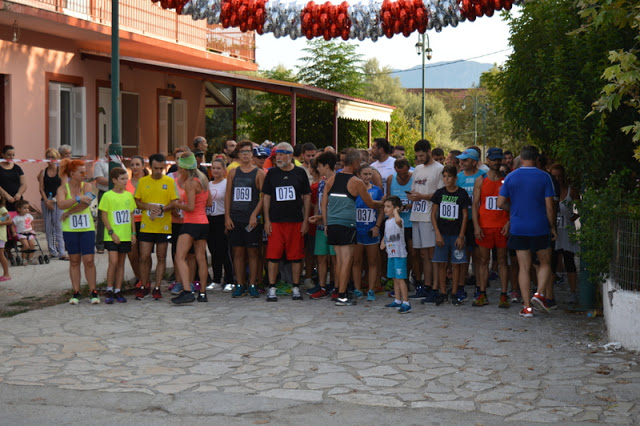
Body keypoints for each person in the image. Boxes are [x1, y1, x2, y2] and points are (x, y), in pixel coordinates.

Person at [498, 145, 557, 317]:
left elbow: (501, 203)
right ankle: (539, 293)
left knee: (523, 267)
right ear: (536, 159)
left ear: (521, 159)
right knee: (545, 262)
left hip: (518, 226)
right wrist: (552, 226)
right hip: (539, 226)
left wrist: (514, 210)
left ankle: (526, 307)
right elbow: (550, 206)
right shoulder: (545, 177)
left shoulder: (511, 177)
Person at [323, 149, 383, 306]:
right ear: (355, 163)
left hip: (333, 224)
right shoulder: (356, 182)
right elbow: (370, 203)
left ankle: (339, 291)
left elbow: (324, 203)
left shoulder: (332, 179)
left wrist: (326, 223)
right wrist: (385, 202)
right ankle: (342, 295)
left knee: (339, 261)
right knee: (346, 260)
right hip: (347, 224)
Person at [262, 142, 311, 302]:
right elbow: (266, 197)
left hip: (295, 221)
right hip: (275, 221)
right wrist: (267, 220)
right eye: (276, 155)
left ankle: (296, 287)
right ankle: (272, 287)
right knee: (273, 256)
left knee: (296, 256)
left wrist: (305, 221)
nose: (278, 158)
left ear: (290, 155)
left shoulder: (300, 173)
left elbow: (306, 197)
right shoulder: (272, 173)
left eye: (281, 154)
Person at [134, 153, 179, 300]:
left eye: (161, 168)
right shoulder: (143, 182)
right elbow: (137, 201)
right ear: (150, 167)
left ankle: (158, 287)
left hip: (163, 226)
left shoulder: (169, 181)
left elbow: (174, 202)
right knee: (144, 256)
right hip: (147, 225)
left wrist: (162, 209)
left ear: (165, 166)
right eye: (156, 168)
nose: (159, 171)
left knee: (161, 257)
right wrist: (148, 206)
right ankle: (144, 285)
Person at [171, 153, 213, 304]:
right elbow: (208, 203)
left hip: (191, 223)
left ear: (183, 167)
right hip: (204, 222)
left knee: (180, 257)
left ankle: (187, 291)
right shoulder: (203, 180)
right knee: (201, 258)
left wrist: (176, 204)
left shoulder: (189, 182)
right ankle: (202, 293)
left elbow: (189, 207)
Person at [225, 140, 265, 298]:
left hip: (252, 220)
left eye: (249, 151)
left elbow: (263, 197)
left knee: (253, 253)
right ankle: (240, 284)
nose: (246, 154)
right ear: (238, 154)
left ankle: (253, 284)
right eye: (243, 152)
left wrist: (255, 215)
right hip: (236, 218)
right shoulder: (233, 173)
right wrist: (227, 216)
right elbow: (228, 195)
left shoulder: (259, 173)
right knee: (238, 253)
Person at [56, 159, 99, 305]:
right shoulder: (62, 189)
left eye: (85, 172)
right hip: (70, 229)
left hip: (86, 227)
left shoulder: (87, 185)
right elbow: (61, 204)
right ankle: (76, 292)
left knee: (89, 260)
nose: (85, 174)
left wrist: (69, 212)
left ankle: (93, 291)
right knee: (74, 261)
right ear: (72, 174)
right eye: (82, 172)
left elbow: (86, 203)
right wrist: (77, 198)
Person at [471, 148, 510, 308]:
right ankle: (482, 293)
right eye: (493, 159)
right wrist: (476, 226)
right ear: (487, 160)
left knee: (502, 261)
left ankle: (504, 294)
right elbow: (474, 205)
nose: (496, 162)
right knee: (483, 261)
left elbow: (512, 203)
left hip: (501, 227)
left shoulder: (506, 180)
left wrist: (509, 223)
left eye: (499, 159)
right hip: (485, 226)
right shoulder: (480, 180)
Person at [407, 139, 444, 301]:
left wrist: (422, 196)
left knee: (431, 253)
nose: (420, 159)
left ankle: (434, 287)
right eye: (417, 156)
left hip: (430, 216)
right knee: (422, 254)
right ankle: (426, 285)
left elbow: (441, 194)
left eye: (422, 155)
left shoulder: (439, 169)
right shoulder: (417, 170)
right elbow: (415, 189)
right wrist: (414, 197)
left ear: (429, 152)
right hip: (417, 214)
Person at [431, 165, 471, 306]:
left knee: (456, 264)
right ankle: (442, 292)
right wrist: (437, 233)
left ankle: (454, 292)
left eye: (449, 176)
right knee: (442, 263)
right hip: (442, 234)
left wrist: (461, 236)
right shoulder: (439, 193)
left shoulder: (462, 194)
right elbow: (433, 214)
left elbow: (465, 216)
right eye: (444, 176)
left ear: (455, 178)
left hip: (456, 234)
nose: (446, 179)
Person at [99, 167, 137, 304]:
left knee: (121, 263)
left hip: (126, 235)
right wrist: (111, 232)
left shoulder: (128, 196)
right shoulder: (108, 196)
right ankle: (109, 289)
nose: (125, 181)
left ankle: (118, 290)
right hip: (112, 236)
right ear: (114, 180)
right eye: (122, 179)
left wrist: (133, 233)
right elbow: (104, 216)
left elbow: (131, 215)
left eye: (126, 178)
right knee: (113, 261)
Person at [456, 148, 487, 294]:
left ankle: (479, 286)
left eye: (465, 160)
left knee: (478, 255)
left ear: (474, 162)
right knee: (462, 254)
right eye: (460, 159)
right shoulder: (458, 177)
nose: (461, 162)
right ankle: (461, 285)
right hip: (462, 221)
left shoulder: (483, 176)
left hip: (479, 220)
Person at [307, 152, 338, 299]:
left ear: (326, 165)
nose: (318, 169)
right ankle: (322, 285)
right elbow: (319, 204)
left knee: (335, 258)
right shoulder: (321, 183)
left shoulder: (338, 181)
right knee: (320, 256)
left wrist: (323, 217)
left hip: (333, 225)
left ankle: (337, 286)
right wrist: (317, 216)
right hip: (321, 226)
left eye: (319, 166)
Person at [352, 164, 384, 301]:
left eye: (370, 174)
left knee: (372, 261)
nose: (368, 177)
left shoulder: (377, 191)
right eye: (365, 174)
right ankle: (357, 289)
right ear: (358, 175)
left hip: (371, 230)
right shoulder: (354, 191)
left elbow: (381, 209)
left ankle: (371, 289)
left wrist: (377, 226)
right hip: (357, 230)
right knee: (357, 261)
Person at [550, 164, 580, 304]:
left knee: (569, 261)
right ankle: (549, 294)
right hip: (553, 231)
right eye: (554, 176)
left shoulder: (571, 191)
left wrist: (572, 218)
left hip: (567, 231)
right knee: (552, 262)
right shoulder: (548, 191)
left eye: (559, 176)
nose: (557, 179)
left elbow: (580, 208)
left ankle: (573, 292)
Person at [387, 158, 418, 294]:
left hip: (410, 221)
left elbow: (418, 200)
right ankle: (400, 280)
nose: (402, 176)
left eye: (405, 174)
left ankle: (414, 278)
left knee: (412, 252)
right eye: (400, 174)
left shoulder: (415, 178)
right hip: (395, 223)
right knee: (397, 252)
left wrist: (405, 206)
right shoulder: (391, 179)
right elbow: (388, 199)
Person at [205, 158, 234, 291]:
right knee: (213, 251)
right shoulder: (208, 184)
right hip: (209, 219)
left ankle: (229, 280)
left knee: (224, 251)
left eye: (218, 168)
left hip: (222, 218)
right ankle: (216, 279)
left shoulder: (227, 183)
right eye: (213, 168)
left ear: (224, 170)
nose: (215, 170)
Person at [382, 196, 412, 313]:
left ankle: (406, 302)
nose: (385, 209)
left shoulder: (399, 220)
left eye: (389, 207)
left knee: (400, 279)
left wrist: (396, 212)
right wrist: (383, 242)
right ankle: (397, 300)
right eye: (385, 206)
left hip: (399, 254)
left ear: (396, 208)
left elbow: (398, 222)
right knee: (394, 278)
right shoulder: (387, 222)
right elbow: (386, 234)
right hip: (391, 254)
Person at [93, 144, 124, 254]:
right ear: (106, 151)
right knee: (102, 219)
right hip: (105, 193)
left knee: (116, 217)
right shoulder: (100, 163)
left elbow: (124, 175)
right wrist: (114, 182)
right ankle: (100, 244)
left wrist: (118, 182)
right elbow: (99, 178)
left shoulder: (118, 162)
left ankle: (116, 240)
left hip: (117, 193)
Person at [37, 148, 67, 260]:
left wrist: (53, 200)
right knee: (48, 227)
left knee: (58, 226)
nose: (50, 160)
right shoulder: (43, 172)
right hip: (45, 201)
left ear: (57, 158)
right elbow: (41, 188)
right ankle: (52, 251)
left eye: (52, 157)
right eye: (48, 157)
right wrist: (46, 201)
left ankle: (62, 252)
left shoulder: (61, 172)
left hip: (57, 201)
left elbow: (63, 188)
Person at [125, 155, 147, 287]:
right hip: (130, 222)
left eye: (137, 164)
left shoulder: (147, 182)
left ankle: (145, 280)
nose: (134, 167)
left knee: (144, 254)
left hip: (145, 221)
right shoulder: (126, 184)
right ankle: (139, 278)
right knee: (132, 253)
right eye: (132, 165)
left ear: (143, 166)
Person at [0, 145, 27, 212]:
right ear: (3, 155)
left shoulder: (17, 168)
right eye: (9, 155)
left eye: (13, 155)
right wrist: (6, 196)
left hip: (16, 201)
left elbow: (24, 184)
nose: (11, 157)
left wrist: (19, 194)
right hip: (3, 201)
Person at [13, 200, 37, 264]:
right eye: (24, 208)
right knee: (26, 245)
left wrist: (32, 229)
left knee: (32, 245)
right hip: (21, 234)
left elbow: (32, 223)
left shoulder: (29, 216)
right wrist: (14, 232)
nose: (27, 210)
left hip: (29, 232)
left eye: (28, 208)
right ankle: (23, 259)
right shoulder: (16, 218)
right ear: (19, 209)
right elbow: (12, 226)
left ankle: (30, 258)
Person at [0, 195, 11, 281]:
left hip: (0, 235)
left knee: (1, 255)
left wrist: (0, 222)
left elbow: (9, 220)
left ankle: (6, 274)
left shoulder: (2, 209)